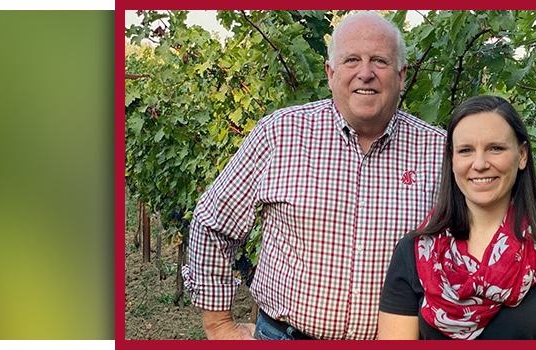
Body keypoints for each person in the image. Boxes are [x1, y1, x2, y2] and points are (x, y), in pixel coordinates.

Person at [183, 11, 447, 340]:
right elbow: (213, 222)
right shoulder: (280, 133)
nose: (365, 73)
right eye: (352, 60)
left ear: (401, 74)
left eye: (379, 60)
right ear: (330, 72)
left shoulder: (440, 151)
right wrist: (219, 325)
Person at [377, 95, 536, 340]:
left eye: (495, 148)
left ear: (523, 155)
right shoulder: (415, 253)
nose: (480, 163)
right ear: (452, 161)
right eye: (466, 151)